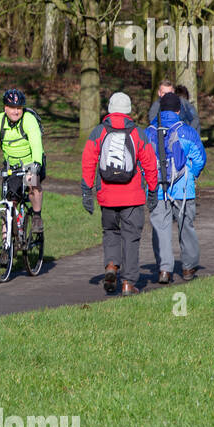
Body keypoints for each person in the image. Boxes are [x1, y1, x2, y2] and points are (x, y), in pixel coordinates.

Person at [81, 92, 159, 295]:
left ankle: (111, 266)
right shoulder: (138, 133)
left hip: (107, 195)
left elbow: (88, 161)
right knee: (131, 238)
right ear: (128, 111)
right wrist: (153, 190)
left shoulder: (98, 132)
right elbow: (150, 164)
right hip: (132, 197)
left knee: (111, 233)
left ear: (109, 108)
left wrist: (86, 190)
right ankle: (128, 283)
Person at [143, 92, 206, 283]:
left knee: (160, 228)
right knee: (186, 226)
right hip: (183, 189)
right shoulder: (187, 131)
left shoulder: (148, 132)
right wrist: (192, 174)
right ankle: (188, 268)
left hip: (157, 190)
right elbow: (199, 159)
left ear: (161, 109)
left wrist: (148, 180)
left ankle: (164, 269)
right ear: (179, 110)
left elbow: (142, 162)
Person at [0, 88, 45, 232]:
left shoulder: (29, 120)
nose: (16, 112)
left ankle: (36, 216)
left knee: (32, 183)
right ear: (5, 108)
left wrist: (36, 163)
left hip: (31, 161)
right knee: (10, 201)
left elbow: (36, 143)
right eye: (12, 108)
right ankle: (6, 246)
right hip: (12, 165)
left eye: (19, 108)